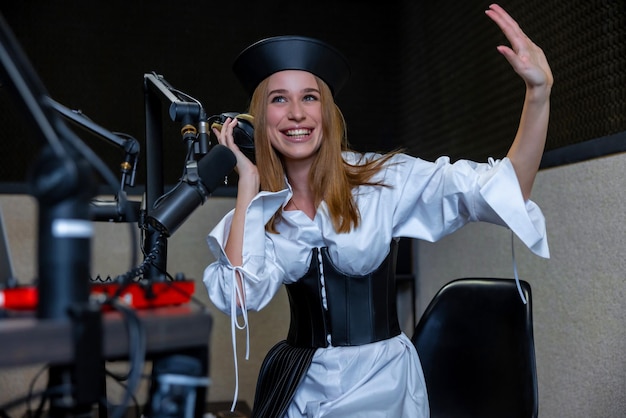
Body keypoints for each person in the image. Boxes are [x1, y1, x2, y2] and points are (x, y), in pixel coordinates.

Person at [203, 3, 552, 417]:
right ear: (258, 119)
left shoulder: (384, 180)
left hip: (383, 383)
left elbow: (504, 190)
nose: (296, 113)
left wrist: (538, 95)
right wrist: (248, 184)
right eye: (279, 100)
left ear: (326, 113)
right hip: (298, 383)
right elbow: (238, 298)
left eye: (309, 97)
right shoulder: (260, 212)